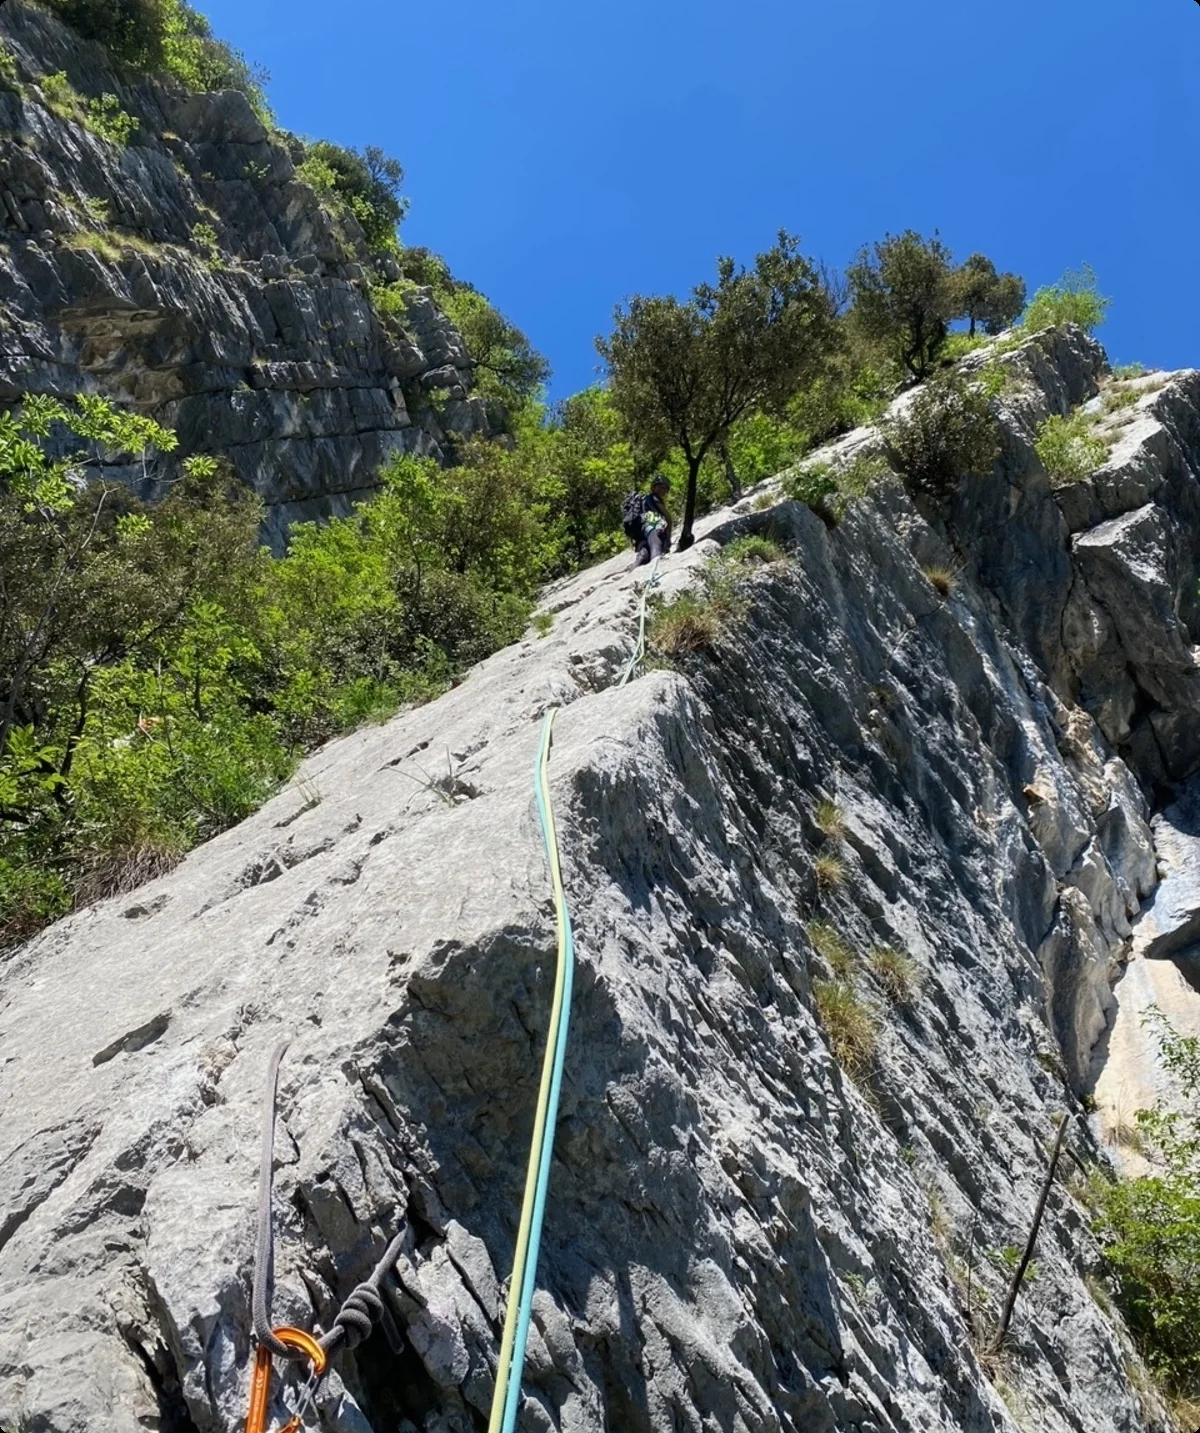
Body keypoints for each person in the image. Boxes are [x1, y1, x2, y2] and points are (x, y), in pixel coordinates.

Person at [629, 475, 672, 569]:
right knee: (656, 550)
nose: (663, 490)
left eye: (665, 488)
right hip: (653, 528)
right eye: (661, 487)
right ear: (654, 487)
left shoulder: (644, 500)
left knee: (644, 553)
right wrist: (668, 538)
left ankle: (631, 572)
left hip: (642, 533)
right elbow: (668, 518)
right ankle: (655, 572)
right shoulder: (655, 499)